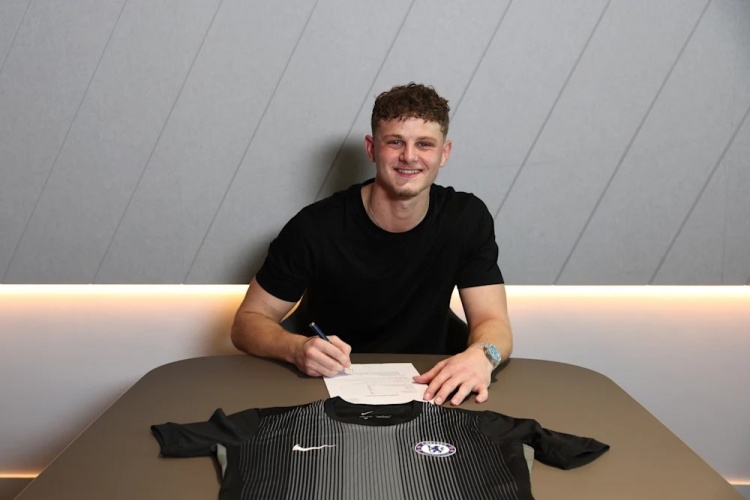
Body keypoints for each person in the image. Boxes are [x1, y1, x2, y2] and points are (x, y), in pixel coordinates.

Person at [231, 83, 512, 406]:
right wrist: (295, 349)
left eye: (424, 144)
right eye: (395, 142)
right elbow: (246, 322)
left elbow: (493, 322)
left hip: (430, 386)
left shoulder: (466, 218)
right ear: (371, 148)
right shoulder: (316, 226)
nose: (409, 156)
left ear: (444, 153)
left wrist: (483, 356)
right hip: (328, 387)